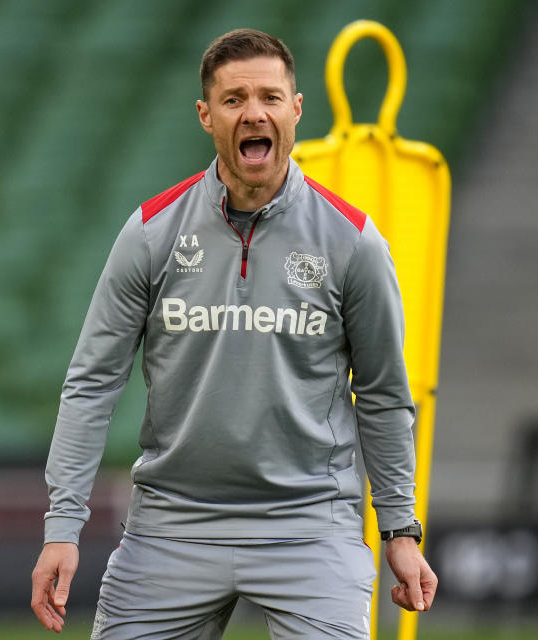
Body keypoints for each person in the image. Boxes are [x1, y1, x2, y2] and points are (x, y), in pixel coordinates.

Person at [31, 29, 437, 639]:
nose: (254, 112)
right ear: (205, 115)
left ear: (296, 110)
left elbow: (382, 393)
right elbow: (92, 382)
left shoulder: (354, 242)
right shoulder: (150, 232)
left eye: (271, 98)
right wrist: (62, 527)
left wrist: (400, 530)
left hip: (310, 526)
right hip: (172, 527)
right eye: (234, 98)